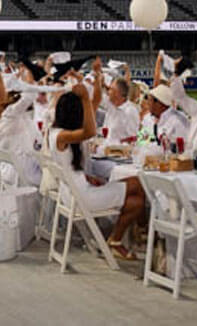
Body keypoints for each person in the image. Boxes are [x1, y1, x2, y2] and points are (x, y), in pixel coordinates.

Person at [49, 83, 145, 260]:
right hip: (83, 197)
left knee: (137, 201)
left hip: (74, 192)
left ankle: (117, 240)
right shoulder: (61, 135)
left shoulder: (55, 132)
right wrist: (85, 99)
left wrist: (88, 177)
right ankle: (133, 235)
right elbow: (91, 131)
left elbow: (68, 165)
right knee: (138, 184)